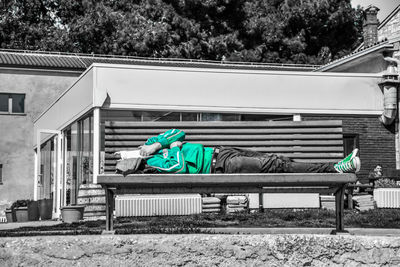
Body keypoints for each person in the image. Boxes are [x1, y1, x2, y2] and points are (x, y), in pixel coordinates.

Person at [117, 129, 361, 174]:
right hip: (221, 167)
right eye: (137, 155)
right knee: (276, 165)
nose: (140, 150)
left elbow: (178, 132)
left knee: (278, 160)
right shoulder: (154, 165)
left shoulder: (153, 146)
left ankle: (336, 167)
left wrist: (158, 143)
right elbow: (179, 167)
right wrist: (174, 148)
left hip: (222, 152)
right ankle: (336, 167)